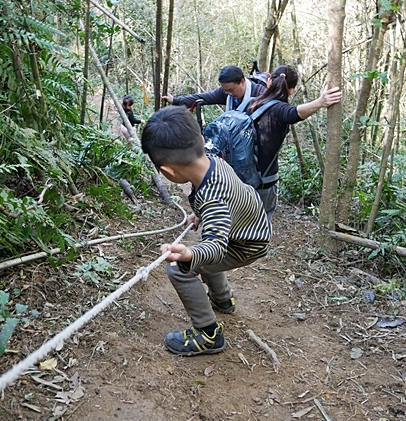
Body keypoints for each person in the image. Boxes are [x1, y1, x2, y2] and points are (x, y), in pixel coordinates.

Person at [140, 106, 271, 356]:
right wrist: (201, 215)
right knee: (203, 250)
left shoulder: (213, 200)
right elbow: (225, 198)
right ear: (200, 140)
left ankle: (208, 333)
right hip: (249, 226)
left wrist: (188, 255)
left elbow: (217, 247)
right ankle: (222, 299)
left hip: (245, 243)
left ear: (167, 171)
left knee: (180, 268)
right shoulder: (214, 162)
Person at [245, 65, 342, 218]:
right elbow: (294, 113)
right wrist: (320, 102)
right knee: (258, 228)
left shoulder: (250, 104)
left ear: (269, 81)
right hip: (263, 181)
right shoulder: (280, 110)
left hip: (239, 177)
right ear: (292, 90)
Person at [161, 65, 265, 112]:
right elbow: (203, 98)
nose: (229, 93)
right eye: (226, 90)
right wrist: (175, 100)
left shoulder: (260, 94)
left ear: (242, 82)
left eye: (231, 90)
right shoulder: (225, 93)